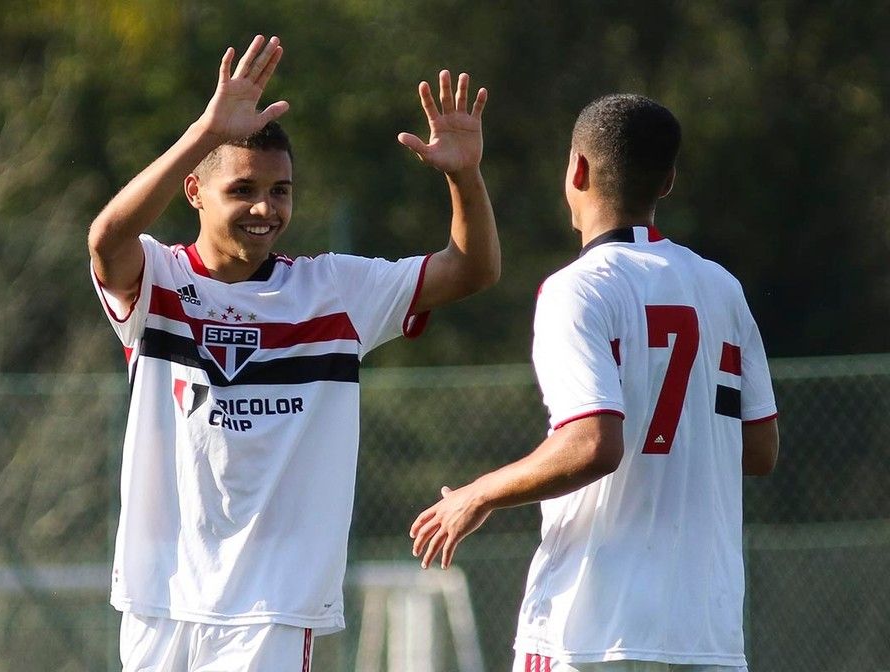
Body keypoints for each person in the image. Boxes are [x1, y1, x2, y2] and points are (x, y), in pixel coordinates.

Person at [87, 34, 497, 670]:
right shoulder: (158, 280)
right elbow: (107, 236)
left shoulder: (331, 290)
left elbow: (470, 269)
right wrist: (204, 131)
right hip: (159, 598)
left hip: (271, 607)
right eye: (242, 189)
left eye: (280, 191)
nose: (264, 207)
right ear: (194, 191)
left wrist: (465, 177)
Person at [410, 93, 779, 672]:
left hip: (591, 632)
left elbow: (592, 444)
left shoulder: (577, 289)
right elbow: (759, 450)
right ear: (669, 182)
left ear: (576, 170)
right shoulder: (723, 289)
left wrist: (478, 493)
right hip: (706, 634)